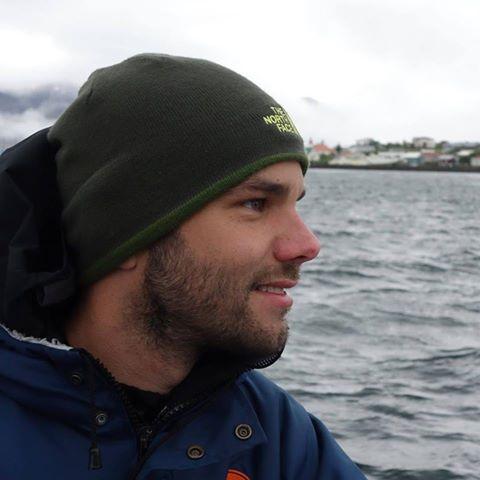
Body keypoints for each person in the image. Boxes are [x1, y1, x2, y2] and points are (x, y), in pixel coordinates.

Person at [0, 53, 366, 479]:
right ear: (127, 230)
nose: (307, 245)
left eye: (295, 204)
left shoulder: (278, 437)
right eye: (255, 203)